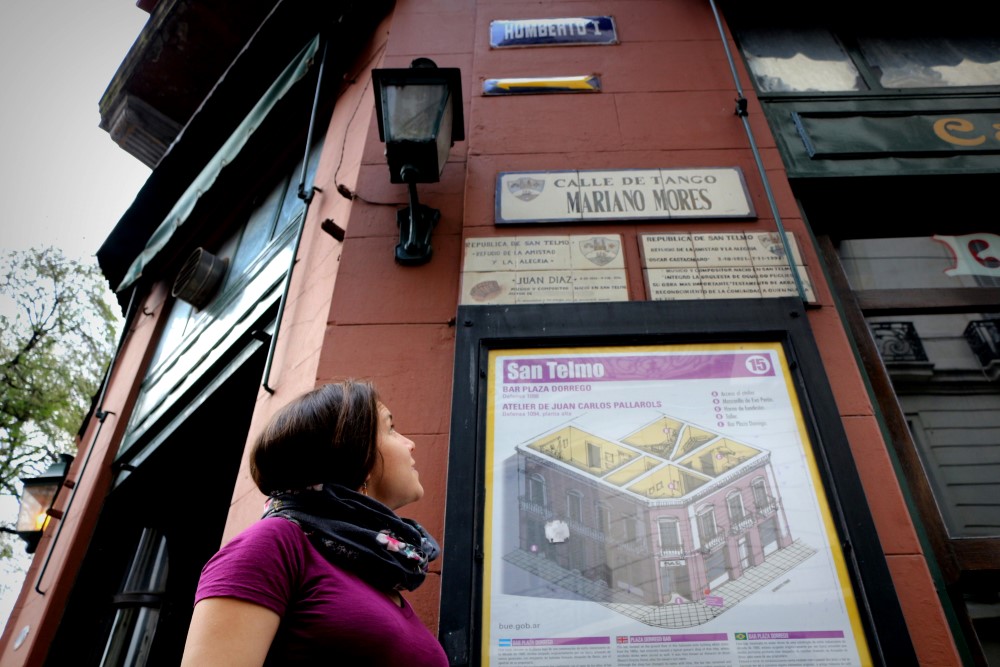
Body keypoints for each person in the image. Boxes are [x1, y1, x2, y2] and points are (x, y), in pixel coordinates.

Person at [180, 380, 449, 666]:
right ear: (359, 454)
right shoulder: (274, 543)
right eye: (391, 428)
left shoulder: (371, 569)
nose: (410, 444)